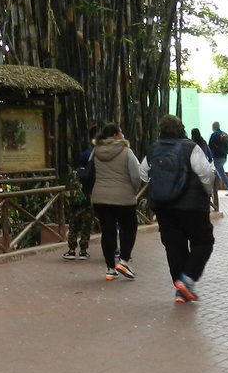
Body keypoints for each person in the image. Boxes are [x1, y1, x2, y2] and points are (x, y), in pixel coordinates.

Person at [145, 114, 216, 303]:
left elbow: (143, 173)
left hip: (163, 207)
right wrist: (207, 193)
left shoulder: (153, 148)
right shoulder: (190, 147)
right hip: (192, 206)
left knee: (174, 246)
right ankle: (188, 279)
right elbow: (206, 174)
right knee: (203, 242)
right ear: (181, 128)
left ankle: (180, 289)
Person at [88, 122, 146, 280]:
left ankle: (110, 269)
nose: (122, 134)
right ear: (115, 135)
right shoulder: (126, 151)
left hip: (100, 197)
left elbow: (90, 172)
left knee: (108, 231)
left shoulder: (96, 151)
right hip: (123, 197)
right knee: (129, 228)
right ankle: (124, 261)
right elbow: (135, 175)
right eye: (120, 132)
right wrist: (133, 190)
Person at [62, 140, 94, 260]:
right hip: (86, 204)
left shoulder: (74, 173)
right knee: (86, 227)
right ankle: (83, 251)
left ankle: (71, 250)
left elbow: (67, 188)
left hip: (74, 205)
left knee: (73, 226)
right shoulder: (89, 173)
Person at [207, 121, 228, 196]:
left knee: (220, 174)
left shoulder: (214, 135)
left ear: (213, 127)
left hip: (217, 157)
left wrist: (209, 156)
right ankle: (215, 190)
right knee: (218, 173)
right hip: (224, 157)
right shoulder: (224, 134)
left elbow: (209, 146)